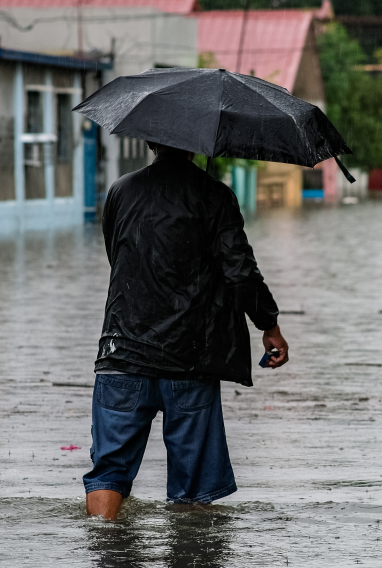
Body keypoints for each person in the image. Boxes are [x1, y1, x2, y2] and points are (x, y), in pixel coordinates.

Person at [84, 143, 288, 519]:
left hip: (121, 352)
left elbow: (118, 256)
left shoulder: (120, 191)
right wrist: (269, 324)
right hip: (190, 359)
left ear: (150, 142)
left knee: (108, 473)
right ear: (198, 146)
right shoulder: (215, 196)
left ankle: (102, 549)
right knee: (192, 488)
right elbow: (240, 272)